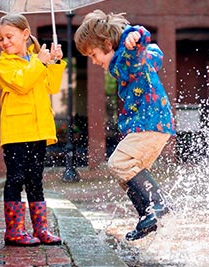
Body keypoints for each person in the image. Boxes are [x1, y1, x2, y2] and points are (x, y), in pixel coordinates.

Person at [74, 10, 176, 241]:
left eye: (93, 54)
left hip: (150, 124)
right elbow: (155, 53)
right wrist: (137, 44)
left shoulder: (123, 61)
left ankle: (158, 204)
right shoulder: (135, 58)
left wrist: (133, 36)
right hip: (154, 124)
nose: (94, 61)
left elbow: (141, 39)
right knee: (124, 172)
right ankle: (146, 216)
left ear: (108, 44)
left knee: (118, 162)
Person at [0, 13, 66, 246]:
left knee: (35, 180)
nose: (4, 42)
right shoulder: (3, 65)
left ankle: (41, 229)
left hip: (38, 130)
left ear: (24, 34)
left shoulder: (35, 60)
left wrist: (54, 62)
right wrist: (40, 63)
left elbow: (51, 86)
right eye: (1, 38)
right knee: (16, 178)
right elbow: (21, 83)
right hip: (17, 131)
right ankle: (14, 230)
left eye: (9, 36)